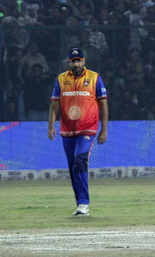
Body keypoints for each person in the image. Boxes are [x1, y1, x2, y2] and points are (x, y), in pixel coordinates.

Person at [48, 47, 108, 216]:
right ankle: (80, 204)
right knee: (73, 166)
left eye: (79, 60)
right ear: (69, 62)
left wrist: (103, 129)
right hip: (67, 130)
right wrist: (50, 125)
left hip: (87, 128)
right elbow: (54, 105)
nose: (76, 63)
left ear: (84, 61)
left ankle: (84, 203)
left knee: (80, 159)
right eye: (73, 61)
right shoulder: (61, 79)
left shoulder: (95, 78)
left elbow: (103, 104)